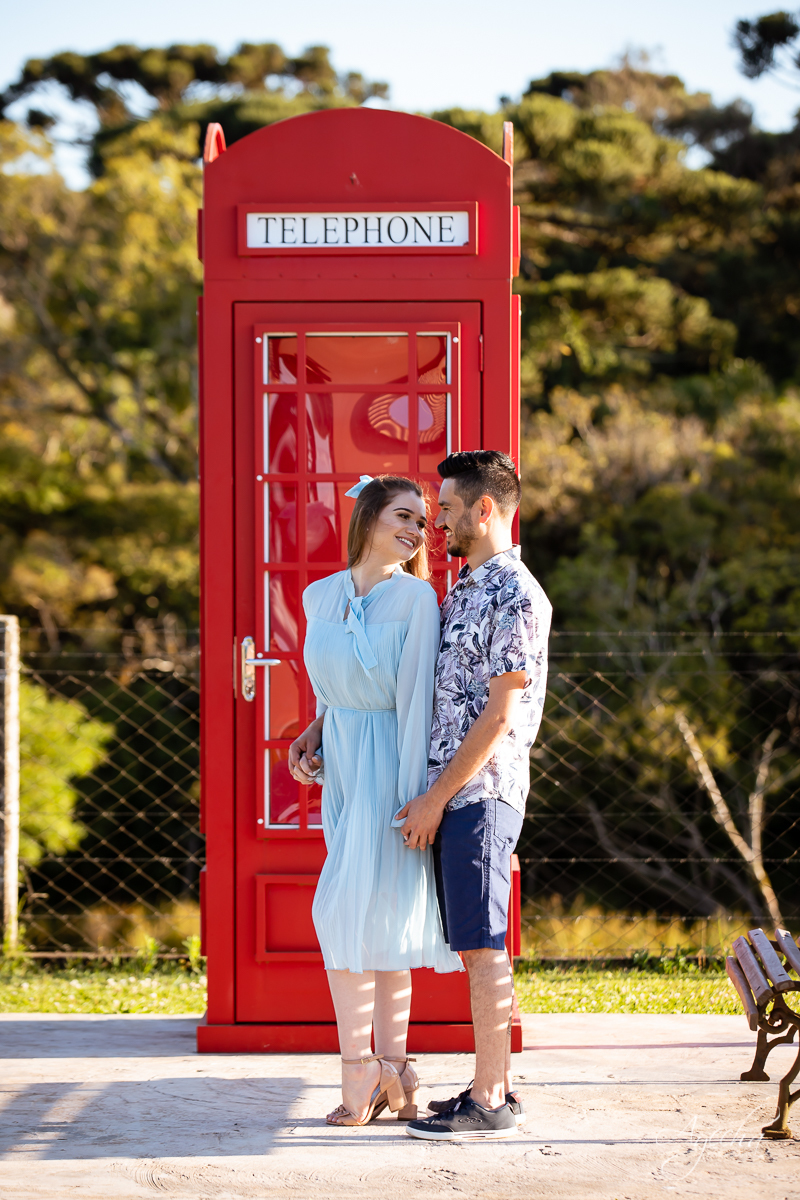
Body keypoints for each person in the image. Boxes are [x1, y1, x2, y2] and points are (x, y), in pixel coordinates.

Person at [288, 474, 462, 1129]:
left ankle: (359, 1068)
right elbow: (331, 687)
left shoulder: (418, 599)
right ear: (366, 519)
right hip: (345, 772)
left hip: (390, 776)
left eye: (422, 521)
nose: (418, 531)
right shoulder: (317, 596)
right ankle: (396, 1069)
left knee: (351, 918)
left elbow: (418, 701)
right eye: (404, 516)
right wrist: (314, 731)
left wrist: (421, 801)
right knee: (373, 925)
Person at [398, 450, 552, 1142]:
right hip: (458, 797)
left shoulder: (516, 594)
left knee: (485, 945)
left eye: (451, 509)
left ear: (485, 510)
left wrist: (436, 799)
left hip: (480, 797)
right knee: (473, 944)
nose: (441, 521)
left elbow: (499, 717)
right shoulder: (465, 587)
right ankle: (494, 1087)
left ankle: (491, 1100)